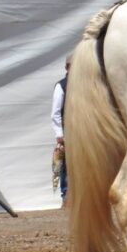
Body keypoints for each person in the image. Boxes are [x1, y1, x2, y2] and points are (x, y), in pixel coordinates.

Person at [50, 56, 70, 206]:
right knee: (66, 166)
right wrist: (59, 134)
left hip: (82, 132)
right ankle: (66, 196)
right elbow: (56, 112)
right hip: (68, 132)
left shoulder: (85, 85)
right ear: (67, 68)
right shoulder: (62, 86)